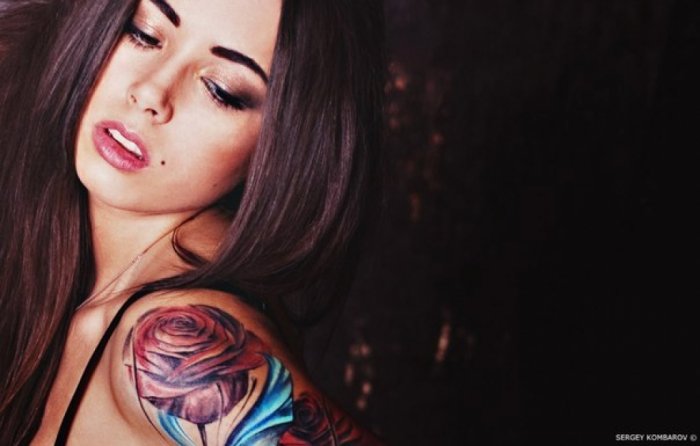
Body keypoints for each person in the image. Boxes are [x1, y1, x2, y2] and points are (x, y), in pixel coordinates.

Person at [0, 0, 385, 444]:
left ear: (280, 147)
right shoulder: (60, 262)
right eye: (144, 33)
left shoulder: (178, 349)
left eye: (221, 90)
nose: (151, 92)